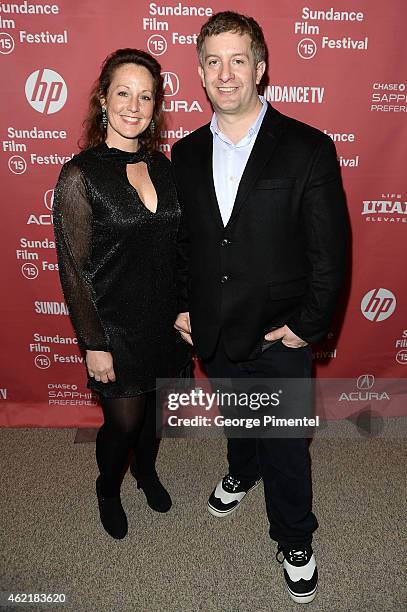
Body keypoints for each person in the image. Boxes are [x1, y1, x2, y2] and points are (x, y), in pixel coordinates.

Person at [172, 12, 348, 604]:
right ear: (199, 72)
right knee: (238, 414)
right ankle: (240, 471)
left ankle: (295, 537)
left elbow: (330, 254)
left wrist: (305, 326)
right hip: (214, 328)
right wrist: (181, 308)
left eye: (238, 59)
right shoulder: (186, 152)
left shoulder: (307, 148)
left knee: (286, 442)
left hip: (279, 335)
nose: (226, 73)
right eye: (213, 61)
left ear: (261, 67)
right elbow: (183, 241)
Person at [53, 48, 190, 540]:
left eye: (146, 96)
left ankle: (146, 472)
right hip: (114, 327)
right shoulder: (80, 175)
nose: (135, 105)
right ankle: (107, 487)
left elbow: (179, 250)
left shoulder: (166, 167)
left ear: (155, 107)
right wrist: (94, 342)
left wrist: (184, 307)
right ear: (104, 100)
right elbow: (74, 268)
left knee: (155, 418)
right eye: (124, 93)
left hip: (165, 324)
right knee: (124, 424)